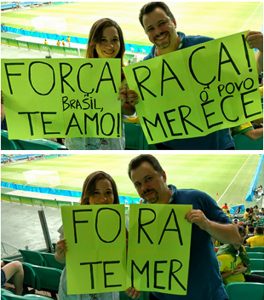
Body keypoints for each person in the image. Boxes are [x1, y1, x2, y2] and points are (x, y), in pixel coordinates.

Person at [120, 1, 263, 150]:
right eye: (150, 28)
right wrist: (131, 100)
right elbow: (137, 109)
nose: (157, 31)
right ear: (147, 34)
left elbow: (246, 76)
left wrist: (262, 49)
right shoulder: (143, 71)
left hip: (218, 146)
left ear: (173, 22)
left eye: (162, 23)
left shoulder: (205, 47)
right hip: (171, 149)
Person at [127, 154, 241, 300]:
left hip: (208, 296)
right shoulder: (139, 218)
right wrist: (135, 281)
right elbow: (140, 260)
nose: (144, 188)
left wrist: (206, 224)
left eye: (148, 179)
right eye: (138, 184)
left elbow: (235, 237)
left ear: (163, 176)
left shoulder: (196, 198)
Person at [65, 18, 137, 150]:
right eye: (103, 40)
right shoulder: (75, 73)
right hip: (80, 143)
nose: (110, 46)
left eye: (115, 40)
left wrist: (127, 103)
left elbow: (129, 112)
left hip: (112, 144)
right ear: (94, 43)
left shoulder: (126, 75)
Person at [55, 171, 121, 299]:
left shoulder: (122, 225)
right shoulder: (73, 222)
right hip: (76, 291)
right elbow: (61, 259)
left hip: (106, 290)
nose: (103, 199)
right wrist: (60, 252)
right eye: (96, 193)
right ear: (87, 196)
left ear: (114, 196)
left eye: (108, 192)